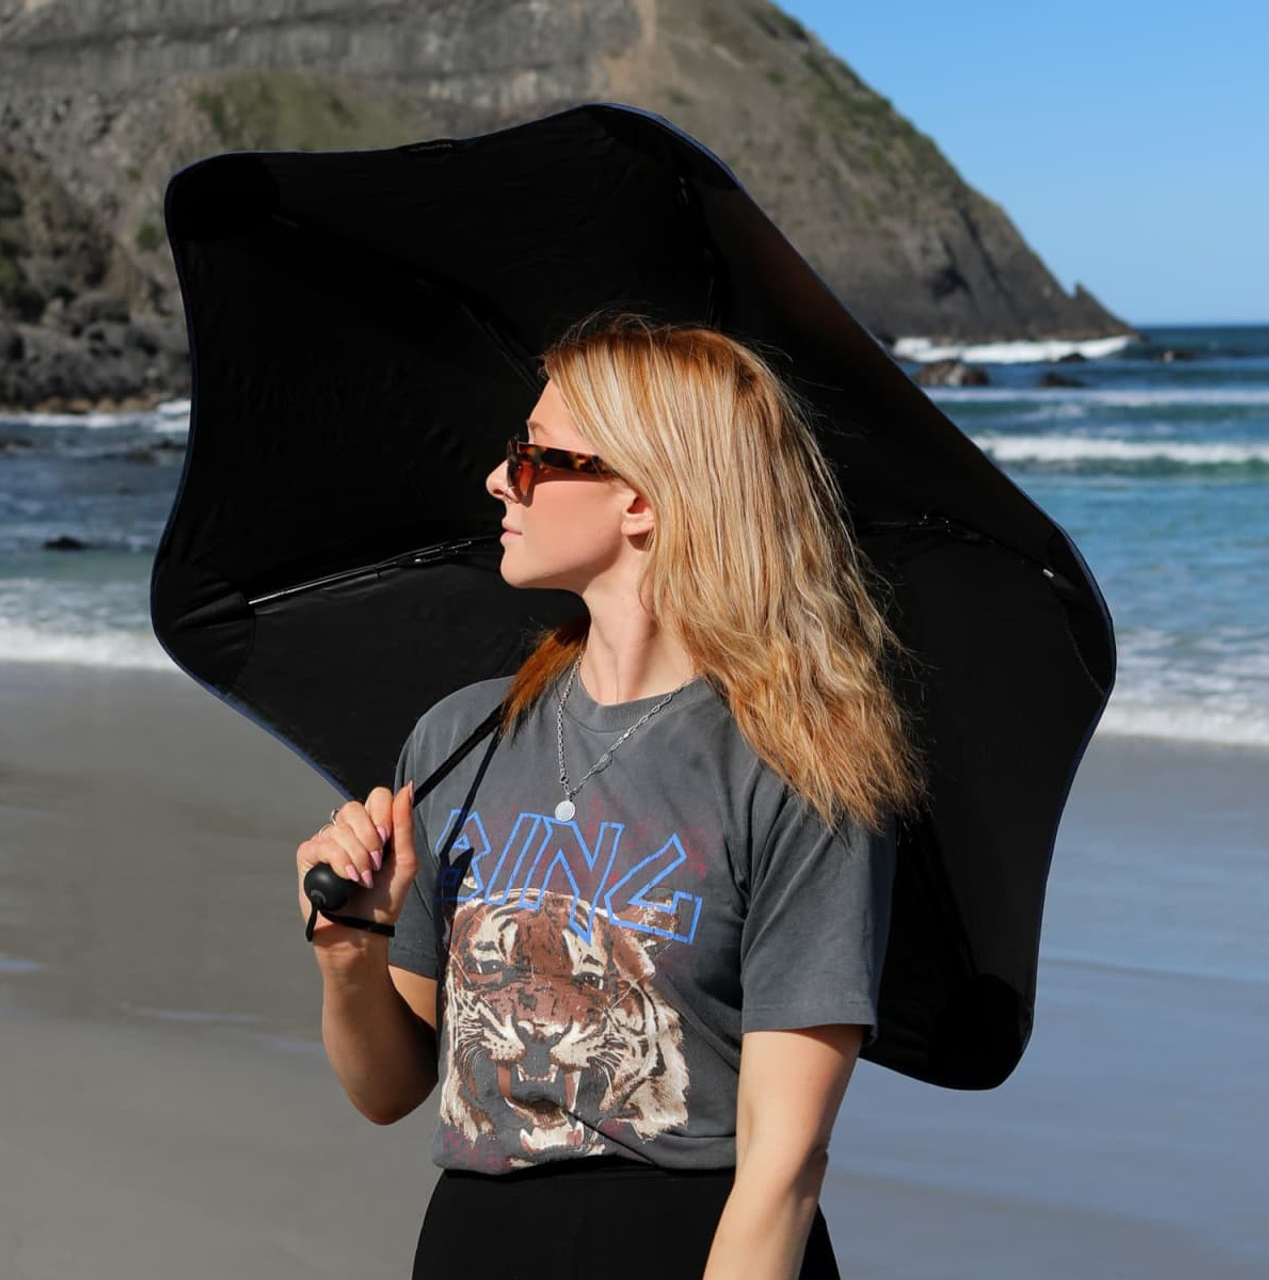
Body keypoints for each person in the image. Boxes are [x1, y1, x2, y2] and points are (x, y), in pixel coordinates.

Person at [294, 312, 928, 1279]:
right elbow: (385, 1090)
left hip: (695, 1242)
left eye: (533, 456)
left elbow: (785, 1163)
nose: (498, 479)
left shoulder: (799, 764)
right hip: (472, 1242)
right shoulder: (462, 737)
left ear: (640, 498)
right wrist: (349, 948)